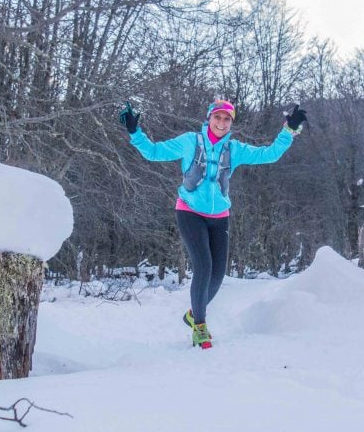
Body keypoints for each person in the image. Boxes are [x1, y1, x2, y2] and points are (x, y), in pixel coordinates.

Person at [120, 99, 307, 349]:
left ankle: (193, 313)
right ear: (209, 118)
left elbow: (269, 154)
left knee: (218, 275)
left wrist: (288, 130)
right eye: (217, 117)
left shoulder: (234, 149)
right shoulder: (190, 142)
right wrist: (134, 131)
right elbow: (154, 152)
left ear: (231, 123)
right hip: (189, 212)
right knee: (204, 266)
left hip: (219, 216)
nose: (221, 123)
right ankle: (200, 326)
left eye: (227, 119)